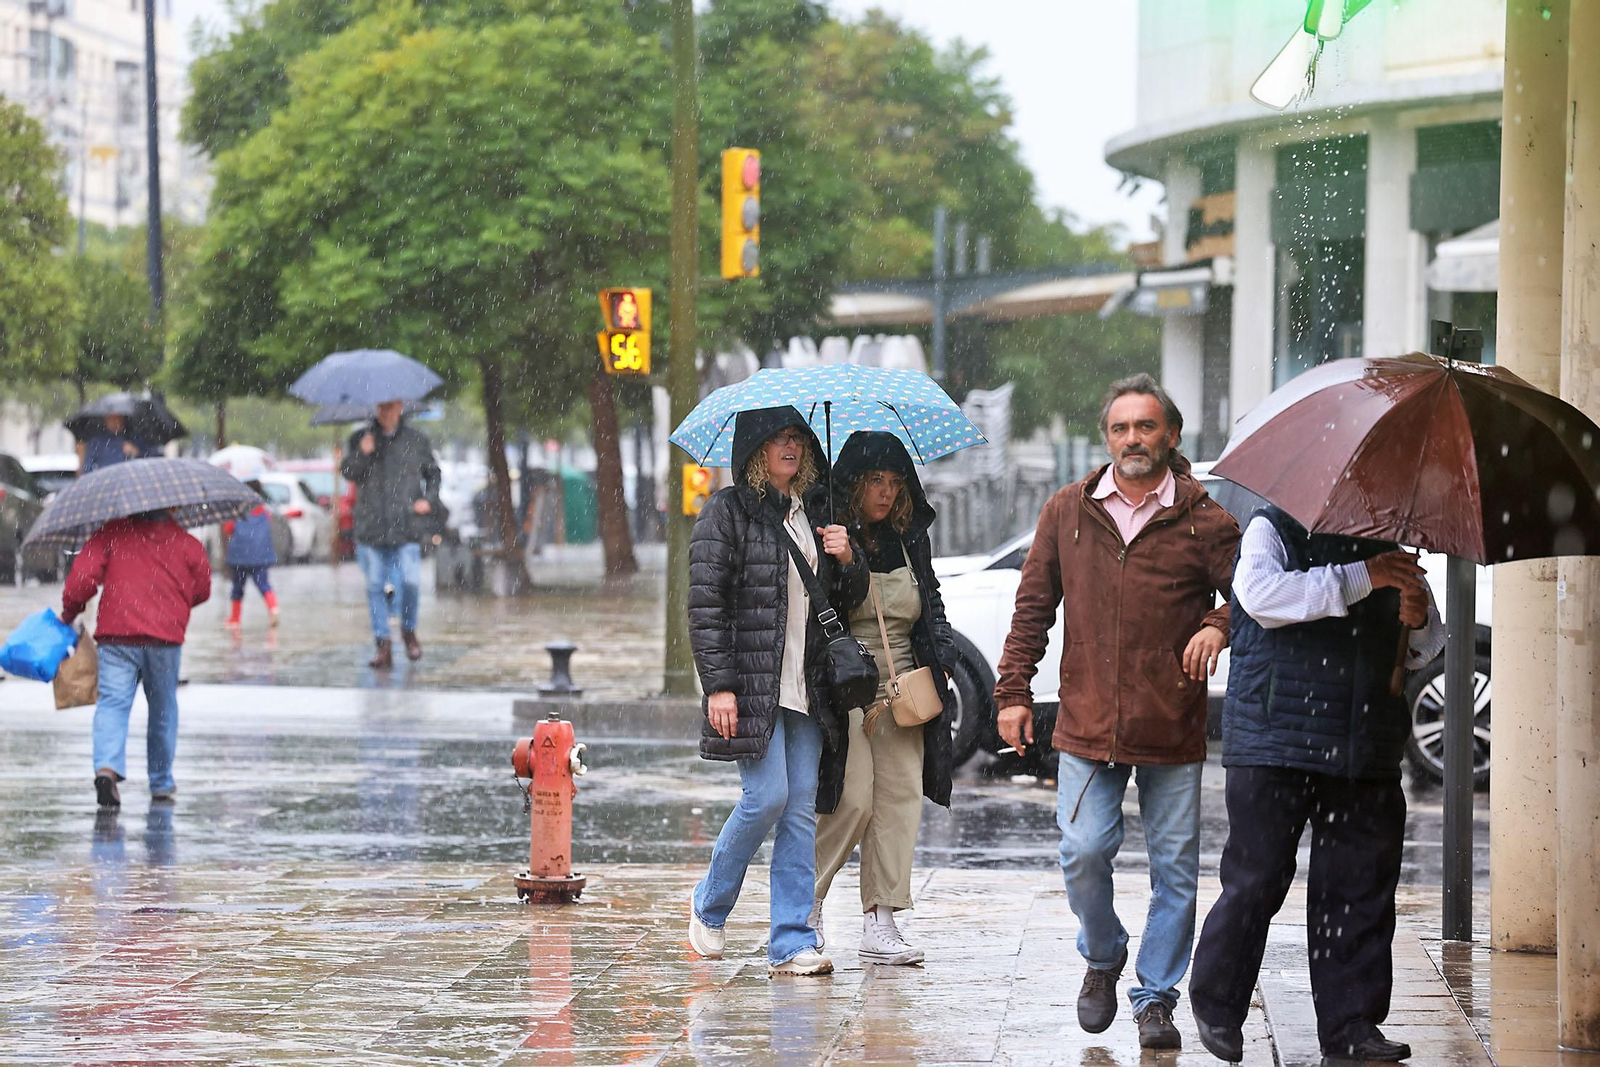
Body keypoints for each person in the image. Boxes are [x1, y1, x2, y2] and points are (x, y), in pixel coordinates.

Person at [994, 373, 1240, 1050]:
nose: (1133, 438)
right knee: (1083, 850)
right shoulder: (1067, 511)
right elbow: (1032, 610)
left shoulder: (1203, 517)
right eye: (1120, 427)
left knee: (1176, 872)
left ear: (1172, 435)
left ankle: (1155, 996)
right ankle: (1103, 953)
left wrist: (1219, 624)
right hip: (1086, 721)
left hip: (1171, 723)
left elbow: (1253, 591)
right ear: (1107, 437)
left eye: (1146, 426)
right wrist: (1012, 692)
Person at [1189, 507, 1444, 1065]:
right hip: (1277, 736)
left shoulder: (1394, 543)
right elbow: (1260, 597)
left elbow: (1425, 649)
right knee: (1257, 878)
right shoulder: (1274, 526)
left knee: (1359, 891)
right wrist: (1365, 577)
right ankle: (1218, 1003)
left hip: (1366, 743)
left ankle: (1352, 1028)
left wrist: (1418, 617)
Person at [686, 406, 867, 978]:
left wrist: (848, 558)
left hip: (810, 687)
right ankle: (709, 905)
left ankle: (790, 941)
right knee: (765, 798)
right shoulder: (728, 512)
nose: (789, 447)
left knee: (798, 815)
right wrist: (719, 686)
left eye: (797, 438)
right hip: (755, 685)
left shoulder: (814, 512)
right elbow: (705, 606)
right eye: (777, 439)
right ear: (755, 450)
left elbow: (842, 601)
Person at [811, 431, 956, 967]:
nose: (887, 493)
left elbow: (932, 598)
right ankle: (807, 907)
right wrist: (844, 559)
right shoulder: (826, 530)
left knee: (898, 801)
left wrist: (940, 653)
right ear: (854, 483)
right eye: (876, 481)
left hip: (903, 684)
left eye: (896, 483)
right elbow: (820, 605)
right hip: (846, 679)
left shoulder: (909, 536)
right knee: (852, 798)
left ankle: (882, 918)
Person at [61, 509, 212, 810]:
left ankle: (106, 768)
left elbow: (82, 579)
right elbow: (202, 590)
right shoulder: (186, 543)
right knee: (163, 708)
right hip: (165, 639)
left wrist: (70, 611)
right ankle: (161, 781)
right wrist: (175, 606)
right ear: (173, 506)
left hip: (117, 635)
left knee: (113, 704)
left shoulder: (111, 533)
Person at [341, 399, 440, 668]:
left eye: (391, 407)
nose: (386, 412)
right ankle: (382, 643)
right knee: (374, 586)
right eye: (381, 407)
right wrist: (362, 453)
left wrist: (428, 500)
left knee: (411, 582)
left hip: (406, 525)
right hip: (371, 527)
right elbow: (348, 473)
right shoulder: (360, 438)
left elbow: (433, 473)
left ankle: (408, 631)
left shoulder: (416, 440)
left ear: (400, 407)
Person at [222, 481, 280, 628]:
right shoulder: (263, 510)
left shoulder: (238, 510)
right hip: (260, 557)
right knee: (263, 584)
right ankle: (274, 609)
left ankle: (235, 619)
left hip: (240, 557)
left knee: (237, 588)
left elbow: (228, 528)